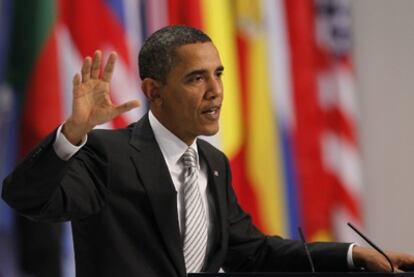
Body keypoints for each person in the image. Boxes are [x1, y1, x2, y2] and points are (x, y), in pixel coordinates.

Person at [2, 25, 414, 277]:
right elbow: (26, 198)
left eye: (217, 74)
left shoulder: (213, 163)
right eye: (196, 78)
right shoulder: (107, 154)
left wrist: (354, 256)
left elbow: (251, 252)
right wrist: (72, 133)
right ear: (153, 92)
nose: (216, 90)